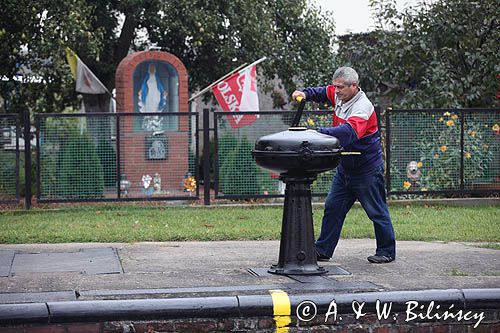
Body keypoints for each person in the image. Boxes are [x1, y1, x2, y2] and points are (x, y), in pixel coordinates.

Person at [292, 66, 396, 264]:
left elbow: (347, 133)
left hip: (366, 170)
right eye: (335, 87)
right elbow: (323, 92)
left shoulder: (362, 108)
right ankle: (322, 249)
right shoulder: (339, 94)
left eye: (340, 87)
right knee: (333, 208)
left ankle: (386, 251)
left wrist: (316, 133)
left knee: (377, 211)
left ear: (354, 86)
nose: (336, 91)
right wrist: (305, 93)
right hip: (346, 168)